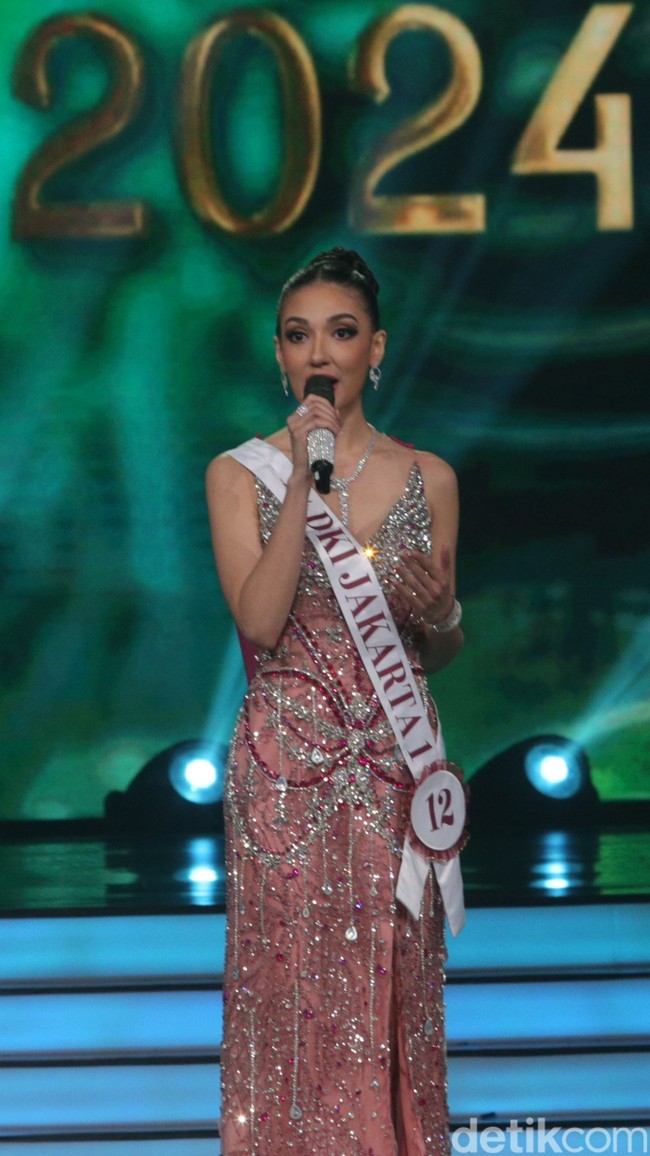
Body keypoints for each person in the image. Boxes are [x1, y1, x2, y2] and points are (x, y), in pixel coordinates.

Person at [206, 247, 465, 1156]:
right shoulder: (239, 475)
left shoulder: (431, 477)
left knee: (391, 993)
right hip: (286, 777)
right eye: (298, 334)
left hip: (398, 773)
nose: (320, 352)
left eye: (342, 332)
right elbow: (261, 618)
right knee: (293, 1000)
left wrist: (444, 615)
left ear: (375, 349)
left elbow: (439, 646)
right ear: (280, 355)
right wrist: (303, 483)